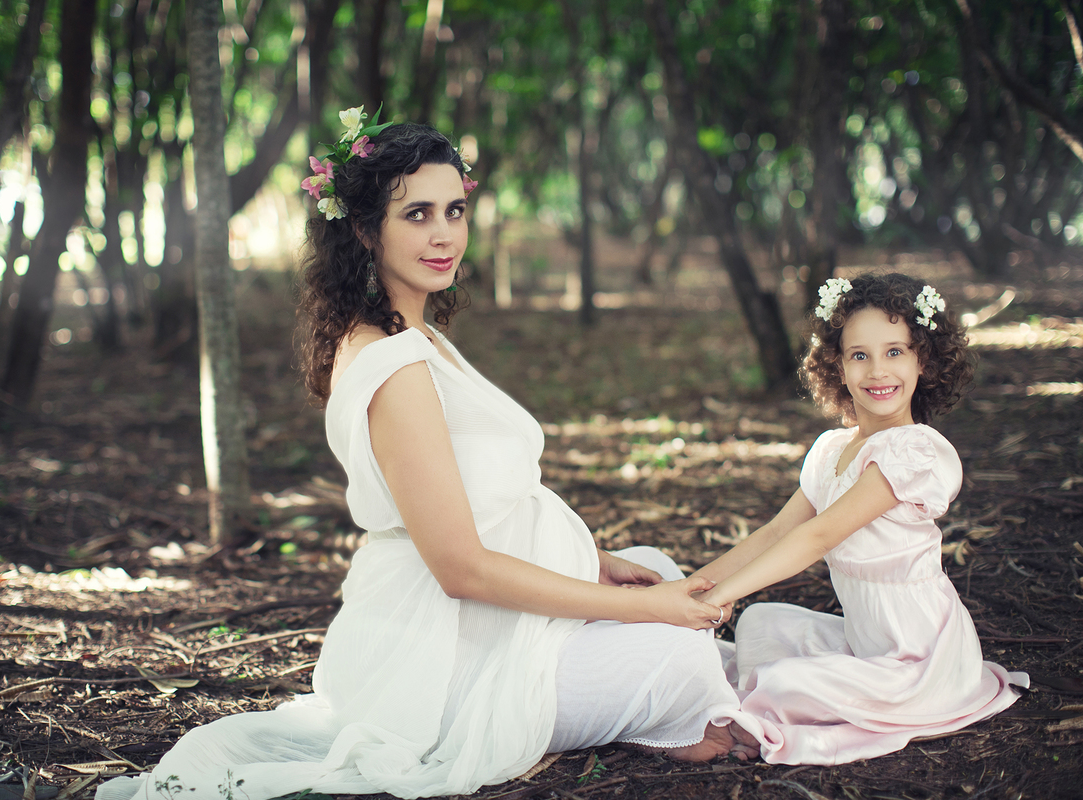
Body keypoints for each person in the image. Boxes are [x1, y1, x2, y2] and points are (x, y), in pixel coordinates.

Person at [97, 111, 755, 800]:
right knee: (676, 644)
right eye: (416, 214)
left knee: (652, 571)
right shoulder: (396, 365)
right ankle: (666, 714)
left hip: (487, 623)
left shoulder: (413, 333)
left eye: (455, 210)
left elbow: (479, 505)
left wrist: (601, 566)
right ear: (362, 228)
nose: (444, 233)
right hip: (445, 654)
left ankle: (662, 700)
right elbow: (460, 568)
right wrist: (646, 614)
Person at [691, 273, 1029, 765]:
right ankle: (786, 692)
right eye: (859, 355)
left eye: (895, 352)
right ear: (839, 366)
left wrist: (721, 598)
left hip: (921, 659)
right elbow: (778, 531)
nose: (877, 371)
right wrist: (700, 586)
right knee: (760, 624)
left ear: (923, 360)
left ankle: (747, 719)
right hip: (862, 643)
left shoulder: (915, 451)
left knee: (782, 682)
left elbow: (818, 535)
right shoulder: (833, 449)